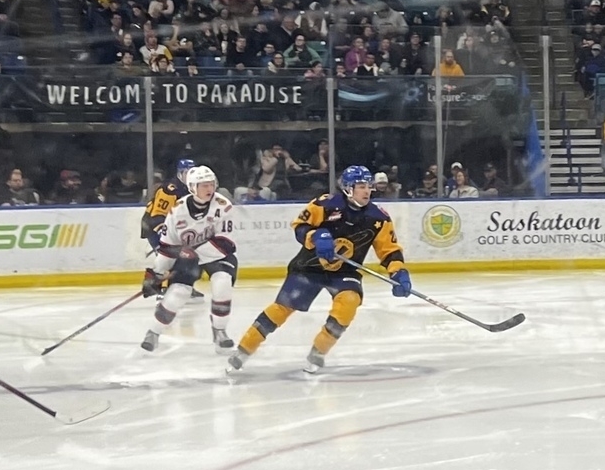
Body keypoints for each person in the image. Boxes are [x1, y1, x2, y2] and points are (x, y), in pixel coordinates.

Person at [229, 165, 411, 375]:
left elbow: (389, 251)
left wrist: (399, 273)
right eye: (361, 186)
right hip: (309, 267)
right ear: (348, 189)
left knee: (349, 303)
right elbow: (300, 226)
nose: (367, 191)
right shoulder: (325, 204)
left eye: (369, 186)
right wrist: (316, 236)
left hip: (345, 272)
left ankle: (318, 352)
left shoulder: (379, 218)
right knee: (282, 308)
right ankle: (243, 350)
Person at [139, 165, 237, 353]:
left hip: (216, 255)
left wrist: (193, 254)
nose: (209, 189)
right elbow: (167, 247)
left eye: (211, 184)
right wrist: (155, 275)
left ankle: (219, 331)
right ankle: (153, 332)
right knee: (178, 292)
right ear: (192, 187)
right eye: (203, 185)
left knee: (222, 282)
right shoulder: (177, 210)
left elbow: (226, 243)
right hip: (188, 257)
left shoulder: (223, 205)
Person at [142, 157, 195, 239]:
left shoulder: (193, 189)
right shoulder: (169, 190)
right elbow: (158, 216)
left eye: (193, 173)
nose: (191, 176)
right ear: (180, 174)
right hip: (155, 230)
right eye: (187, 173)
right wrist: (164, 235)